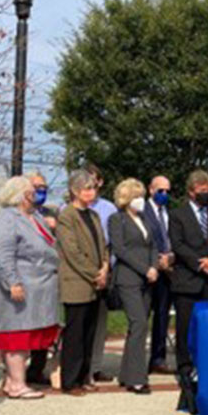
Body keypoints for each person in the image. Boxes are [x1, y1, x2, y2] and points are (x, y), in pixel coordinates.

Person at [0, 177, 60, 399]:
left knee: (27, 336)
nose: (35, 195)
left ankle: (12, 381)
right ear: (19, 195)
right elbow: (2, 253)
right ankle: (18, 384)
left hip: (39, 288)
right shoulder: (6, 219)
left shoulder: (35, 217)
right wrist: (12, 282)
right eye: (31, 192)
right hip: (19, 286)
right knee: (16, 336)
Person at [169, 170, 208, 377]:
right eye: (202, 190)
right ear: (191, 191)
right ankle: (185, 368)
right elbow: (177, 244)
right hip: (188, 279)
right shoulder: (178, 214)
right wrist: (198, 263)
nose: (207, 194)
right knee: (185, 327)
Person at [57, 170, 109, 396]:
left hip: (97, 281)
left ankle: (85, 375)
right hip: (78, 281)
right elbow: (72, 251)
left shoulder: (94, 215)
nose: (92, 192)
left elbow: (103, 246)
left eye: (93, 188)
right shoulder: (67, 215)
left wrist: (105, 267)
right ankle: (70, 381)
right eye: (87, 188)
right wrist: (94, 273)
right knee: (75, 333)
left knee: (90, 332)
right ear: (75, 191)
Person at [108, 179, 159, 394]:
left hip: (148, 279)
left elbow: (153, 245)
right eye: (136, 196)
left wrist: (154, 266)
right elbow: (120, 250)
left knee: (137, 326)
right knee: (139, 323)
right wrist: (144, 268)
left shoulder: (144, 219)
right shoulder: (116, 219)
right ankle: (137, 378)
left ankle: (127, 373)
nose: (141, 200)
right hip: (128, 277)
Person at [83, 162, 117, 384]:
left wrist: (106, 268)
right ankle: (80, 366)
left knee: (99, 322)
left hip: (104, 271)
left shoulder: (109, 209)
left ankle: (95, 366)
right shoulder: (70, 209)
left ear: (100, 182)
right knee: (80, 322)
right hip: (80, 273)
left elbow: (113, 243)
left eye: (92, 180)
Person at [25, 171, 58, 385]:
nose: (41, 191)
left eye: (44, 187)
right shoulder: (17, 213)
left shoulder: (50, 214)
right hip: (27, 276)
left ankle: (36, 369)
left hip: (47, 278)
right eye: (37, 187)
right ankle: (14, 371)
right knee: (23, 326)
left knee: (43, 326)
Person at [143, 175, 175, 374]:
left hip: (166, 272)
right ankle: (136, 360)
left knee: (162, 316)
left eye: (167, 191)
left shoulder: (168, 213)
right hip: (148, 270)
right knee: (142, 315)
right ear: (150, 189)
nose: (164, 194)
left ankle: (158, 357)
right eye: (160, 190)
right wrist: (156, 261)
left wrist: (170, 258)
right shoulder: (142, 212)